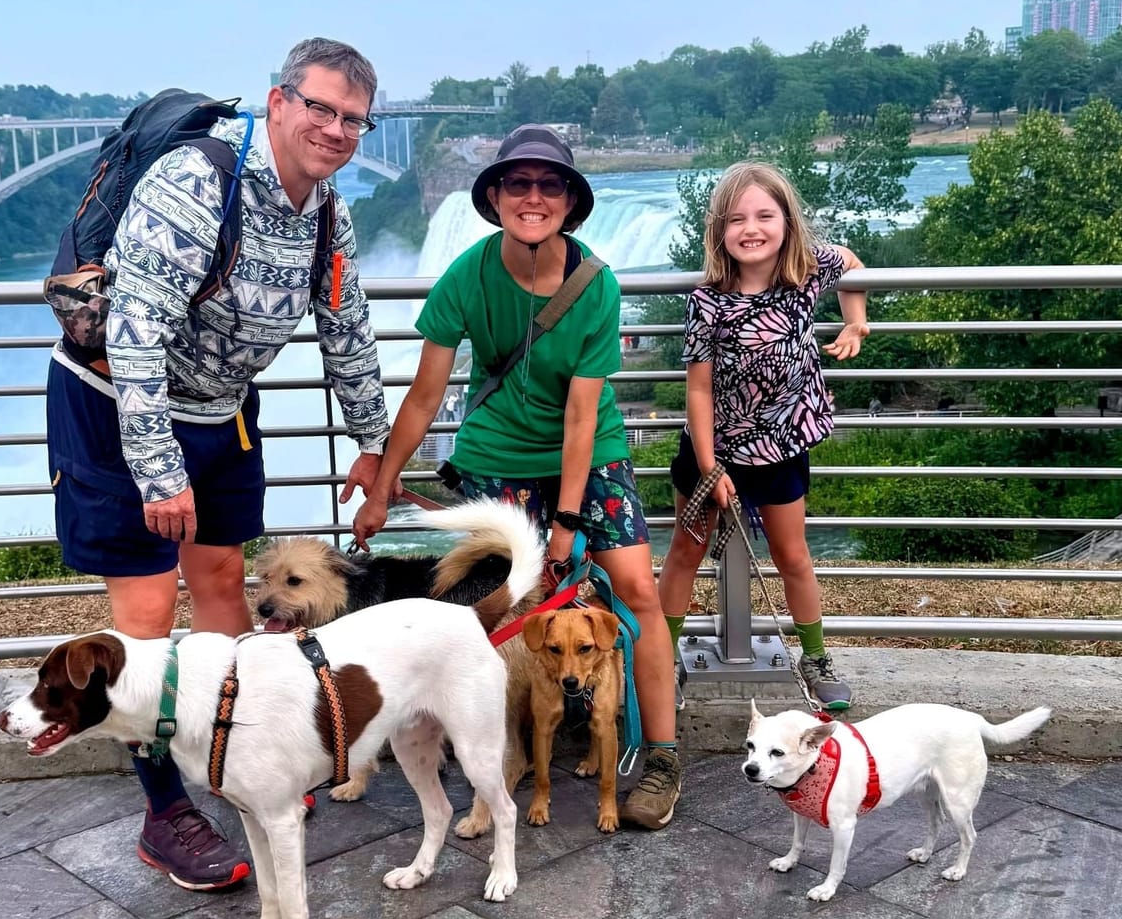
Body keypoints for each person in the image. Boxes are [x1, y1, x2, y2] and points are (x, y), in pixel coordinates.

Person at [45, 37, 394, 889]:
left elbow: (346, 330)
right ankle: (166, 815)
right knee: (145, 620)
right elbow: (134, 335)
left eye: (353, 118)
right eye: (319, 107)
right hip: (113, 407)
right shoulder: (199, 182)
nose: (336, 130)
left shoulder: (328, 215)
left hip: (223, 413)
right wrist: (159, 472)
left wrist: (373, 444)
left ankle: (241, 759)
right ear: (277, 103)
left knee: (225, 600)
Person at [352, 125, 682, 828]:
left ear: (570, 201)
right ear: (496, 196)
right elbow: (422, 396)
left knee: (635, 593)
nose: (533, 197)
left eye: (549, 185)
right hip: (498, 454)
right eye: (518, 184)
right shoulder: (467, 277)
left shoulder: (595, 285)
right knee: (495, 605)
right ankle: (497, 751)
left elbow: (580, 421)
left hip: (590, 458)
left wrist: (564, 527)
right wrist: (381, 490)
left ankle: (661, 757)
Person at [656, 162, 868, 711]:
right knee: (685, 551)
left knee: (792, 555)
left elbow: (850, 262)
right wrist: (710, 466)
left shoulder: (805, 274)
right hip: (711, 449)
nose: (751, 228)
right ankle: (660, 658)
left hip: (780, 450)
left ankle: (816, 657)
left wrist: (856, 320)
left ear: (787, 222)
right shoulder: (708, 301)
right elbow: (698, 390)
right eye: (736, 219)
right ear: (719, 232)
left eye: (764, 216)